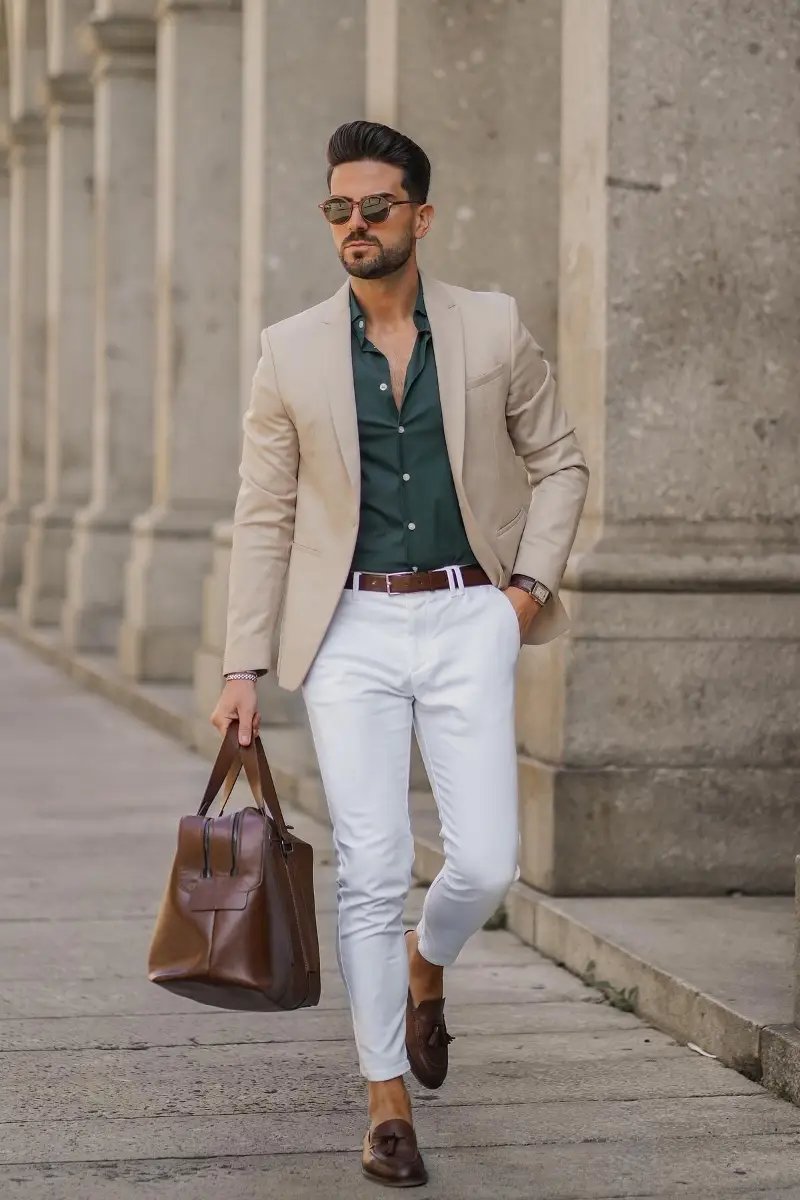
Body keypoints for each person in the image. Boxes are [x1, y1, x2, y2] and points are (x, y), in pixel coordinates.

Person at [211, 120, 589, 1188]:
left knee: (484, 863)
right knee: (369, 866)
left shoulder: (492, 326)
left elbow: (559, 462)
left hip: (470, 613)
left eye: (375, 208)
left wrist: (523, 594)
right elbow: (265, 516)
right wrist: (243, 666)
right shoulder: (288, 351)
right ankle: (384, 1100)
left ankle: (428, 965)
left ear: (419, 217)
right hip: (350, 630)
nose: (355, 226)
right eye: (338, 209)